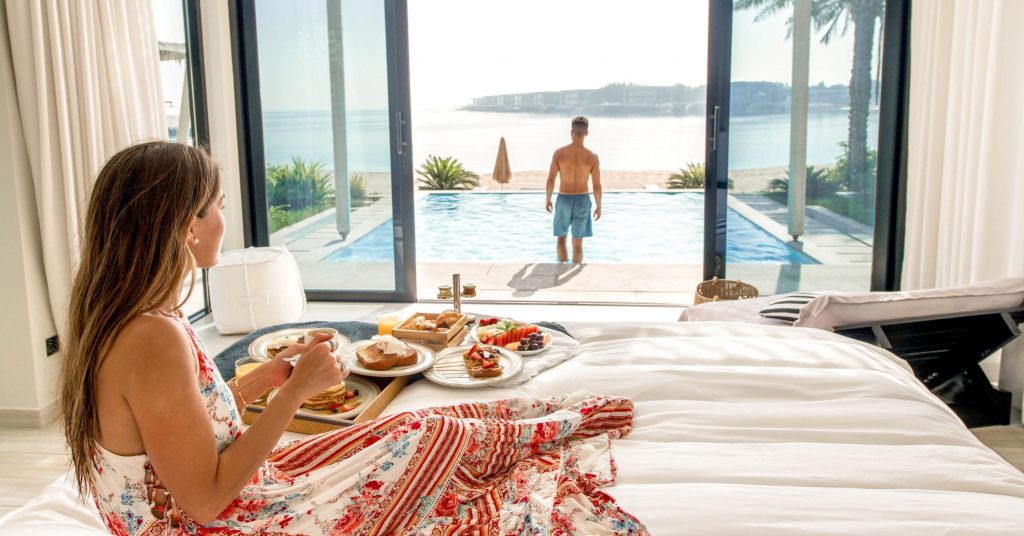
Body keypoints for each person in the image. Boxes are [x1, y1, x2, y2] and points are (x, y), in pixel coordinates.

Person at [60, 141, 647, 534]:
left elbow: (179, 437)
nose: (223, 218)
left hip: (228, 500)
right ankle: (549, 432)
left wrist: (262, 379)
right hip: (229, 522)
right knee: (427, 435)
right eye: (216, 206)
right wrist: (294, 394)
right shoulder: (149, 339)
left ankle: (538, 431)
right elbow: (206, 499)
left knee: (413, 429)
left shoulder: (138, 319)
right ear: (185, 225)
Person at [546, 115, 603, 264]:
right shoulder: (592, 157)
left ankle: (562, 266)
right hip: (582, 200)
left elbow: (551, 179)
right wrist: (599, 206)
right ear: (587, 133)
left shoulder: (559, 153)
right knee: (577, 243)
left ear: (571, 132)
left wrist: (548, 199)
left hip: (564, 198)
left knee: (561, 238)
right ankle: (574, 272)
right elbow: (596, 186)